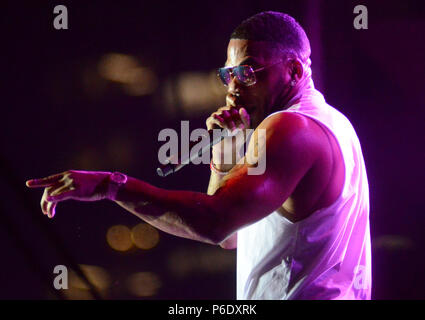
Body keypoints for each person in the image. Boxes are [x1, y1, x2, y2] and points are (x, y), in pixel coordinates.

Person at [26, 11, 371, 300]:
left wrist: (111, 185)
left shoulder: (291, 129)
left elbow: (213, 222)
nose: (234, 87)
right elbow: (230, 236)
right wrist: (225, 152)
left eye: (249, 72)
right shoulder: (330, 122)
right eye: (229, 74)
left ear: (294, 71)